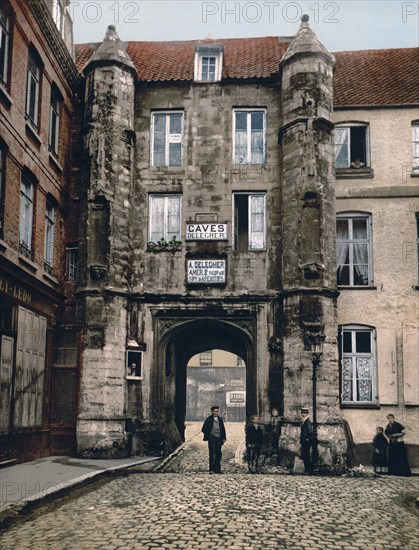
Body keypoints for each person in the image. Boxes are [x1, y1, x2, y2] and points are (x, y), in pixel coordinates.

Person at [201, 406, 227, 474]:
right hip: (212, 438)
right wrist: (209, 435)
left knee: (218, 453)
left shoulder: (220, 419)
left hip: (218, 438)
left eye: (217, 411)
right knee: (212, 453)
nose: (215, 413)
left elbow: (222, 429)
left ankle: (217, 469)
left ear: (218, 412)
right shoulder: (209, 419)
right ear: (212, 412)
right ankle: (211, 469)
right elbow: (203, 429)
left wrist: (224, 437)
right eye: (214, 411)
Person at [300, 407, 314, 474]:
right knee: (305, 455)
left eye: (304, 413)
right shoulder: (305, 421)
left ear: (307, 414)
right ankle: (308, 469)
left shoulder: (307, 421)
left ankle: (308, 470)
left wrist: (307, 439)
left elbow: (310, 431)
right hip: (304, 441)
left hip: (306, 442)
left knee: (306, 455)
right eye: (302, 413)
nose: (303, 414)